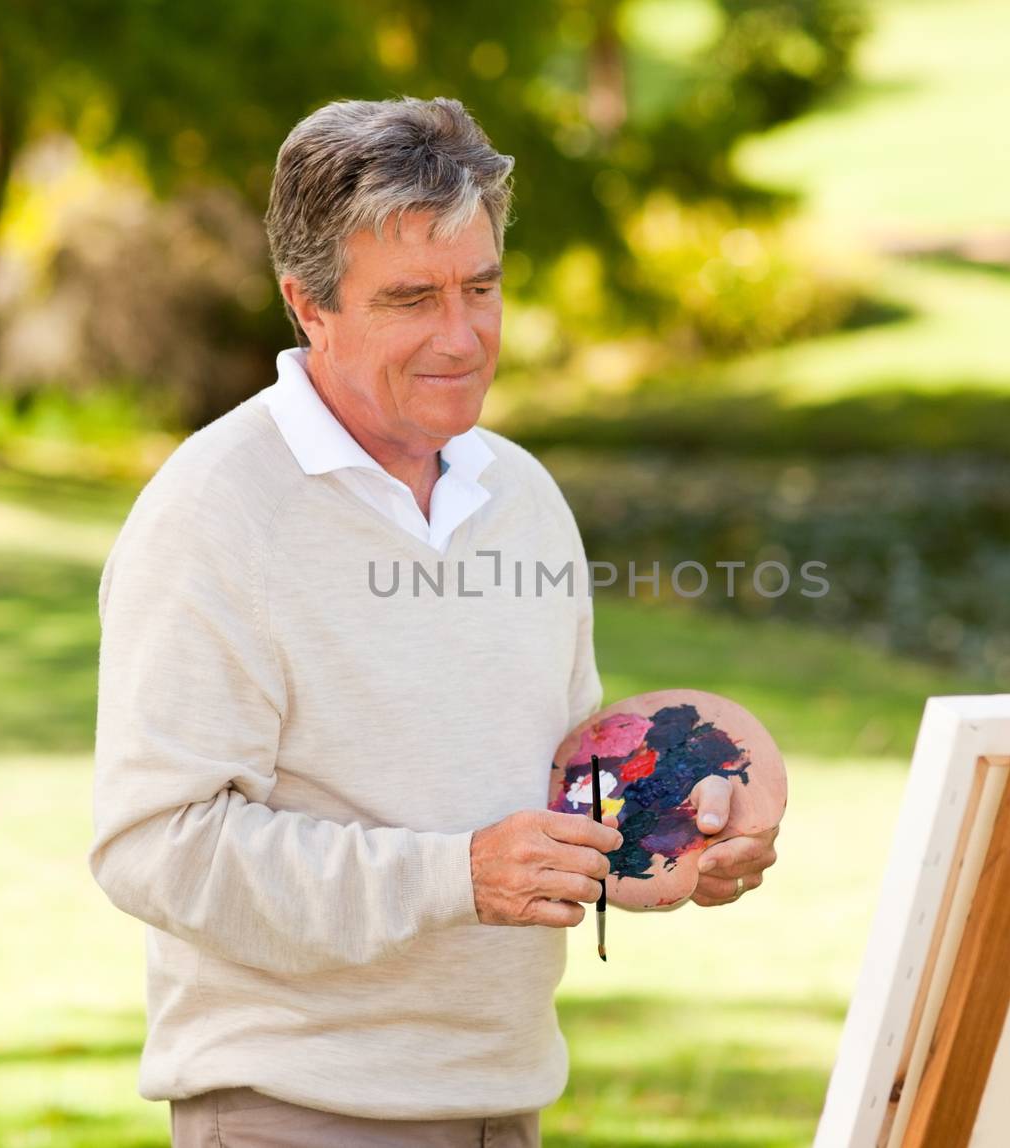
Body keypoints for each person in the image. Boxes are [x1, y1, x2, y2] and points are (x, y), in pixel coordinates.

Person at [88, 95, 779, 1148]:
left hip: (504, 1102)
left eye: (482, 287)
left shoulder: (524, 496)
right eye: (412, 298)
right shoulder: (214, 511)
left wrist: (670, 839)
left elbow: (552, 783)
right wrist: (450, 875)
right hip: (299, 1112)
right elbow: (156, 844)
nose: (461, 337)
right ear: (307, 305)